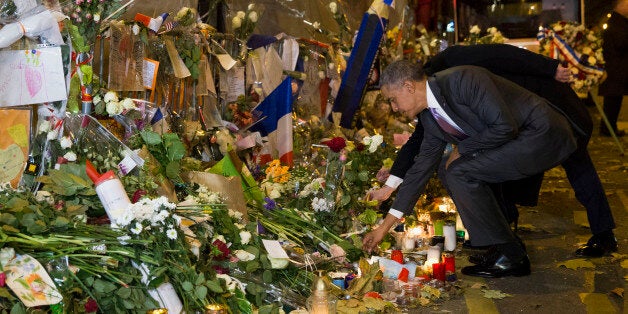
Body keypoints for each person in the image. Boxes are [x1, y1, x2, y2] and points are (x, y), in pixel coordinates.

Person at [368, 44, 618, 257]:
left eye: (393, 100)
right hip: (508, 123)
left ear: (409, 85)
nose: (394, 108)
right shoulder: (429, 106)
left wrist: (549, 67)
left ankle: (603, 233)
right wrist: (391, 190)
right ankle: (502, 242)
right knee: (482, 167)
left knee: (578, 164)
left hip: (548, 105)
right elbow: (421, 148)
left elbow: (504, 54)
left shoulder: (455, 68)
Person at [598, 0, 628, 136]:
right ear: (620, 5)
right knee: (612, 101)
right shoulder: (616, 22)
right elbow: (621, 43)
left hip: (616, 69)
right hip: (615, 69)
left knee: (614, 100)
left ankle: (609, 127)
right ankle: (608, 129)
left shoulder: (618, 21)